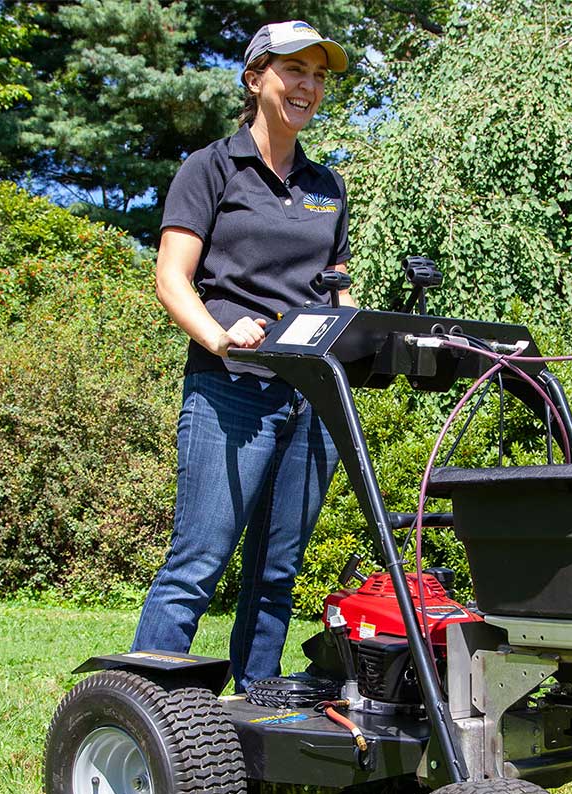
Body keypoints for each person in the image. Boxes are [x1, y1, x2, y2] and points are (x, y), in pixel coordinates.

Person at [132, 20, 354, 691]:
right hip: (230, 389)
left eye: (319, 75)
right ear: (256, 77)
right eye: (295, 71)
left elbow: (337, 289)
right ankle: (148, 713)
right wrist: (220, 336)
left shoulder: (327, 186)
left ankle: (257, 713)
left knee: (275, 572)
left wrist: (356, 338)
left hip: (310, 398)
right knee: (198, 562)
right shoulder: (210, 169)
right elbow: (172, 278)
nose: (308, 86)